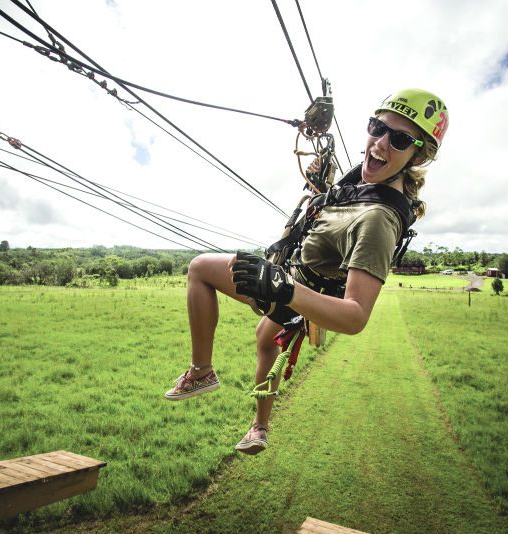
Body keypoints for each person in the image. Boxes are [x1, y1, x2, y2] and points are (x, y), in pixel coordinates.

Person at [164, 88, 449, 455]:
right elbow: (334, 214)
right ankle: (259, 427)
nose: (380, 143)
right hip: (292, 281)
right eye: (377, 128)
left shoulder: (379, 219)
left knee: (201, 268)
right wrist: (320, 188)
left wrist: (285, 290)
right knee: (265, 339)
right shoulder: (362, 186)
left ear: (418, 153)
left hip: (295, 291)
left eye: (399, 139)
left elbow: (355, 317)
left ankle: (201, 372)